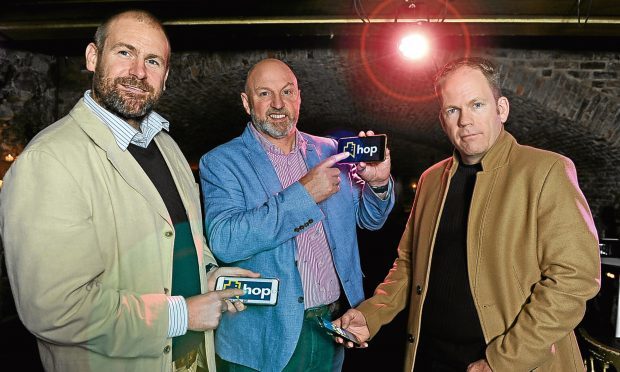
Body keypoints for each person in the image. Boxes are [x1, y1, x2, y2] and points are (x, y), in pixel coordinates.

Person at [0, 10, 257, 372]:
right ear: (93, 57)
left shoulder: (167, 146)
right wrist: (182, 314)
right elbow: (55, 309)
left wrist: (208, 274)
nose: (138, 71)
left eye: (152, 61)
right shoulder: (50, 160)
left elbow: (175, 242)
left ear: (165, 77)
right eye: (125, 53)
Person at [335, 57, 601, 372]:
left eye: (476, 105)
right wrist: (372, 314)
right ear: (442, 119)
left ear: (501, 109)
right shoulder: (432, 179)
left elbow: (574, 280)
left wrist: (502, 362)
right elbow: (409, 265)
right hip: (431, 359)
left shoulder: (547, 170)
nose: (465, 121)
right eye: (453, 110)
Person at [198, 58, 395, 371]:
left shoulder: (332, 150)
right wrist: (305, 195)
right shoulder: (221, 162)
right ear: (247, 103)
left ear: (299, 97)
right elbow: (225, 241)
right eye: (265, 94)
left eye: (287, 92)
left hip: (331, 327)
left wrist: (378, 184)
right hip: (263, 339)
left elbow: (371, 219)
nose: (278, 103)